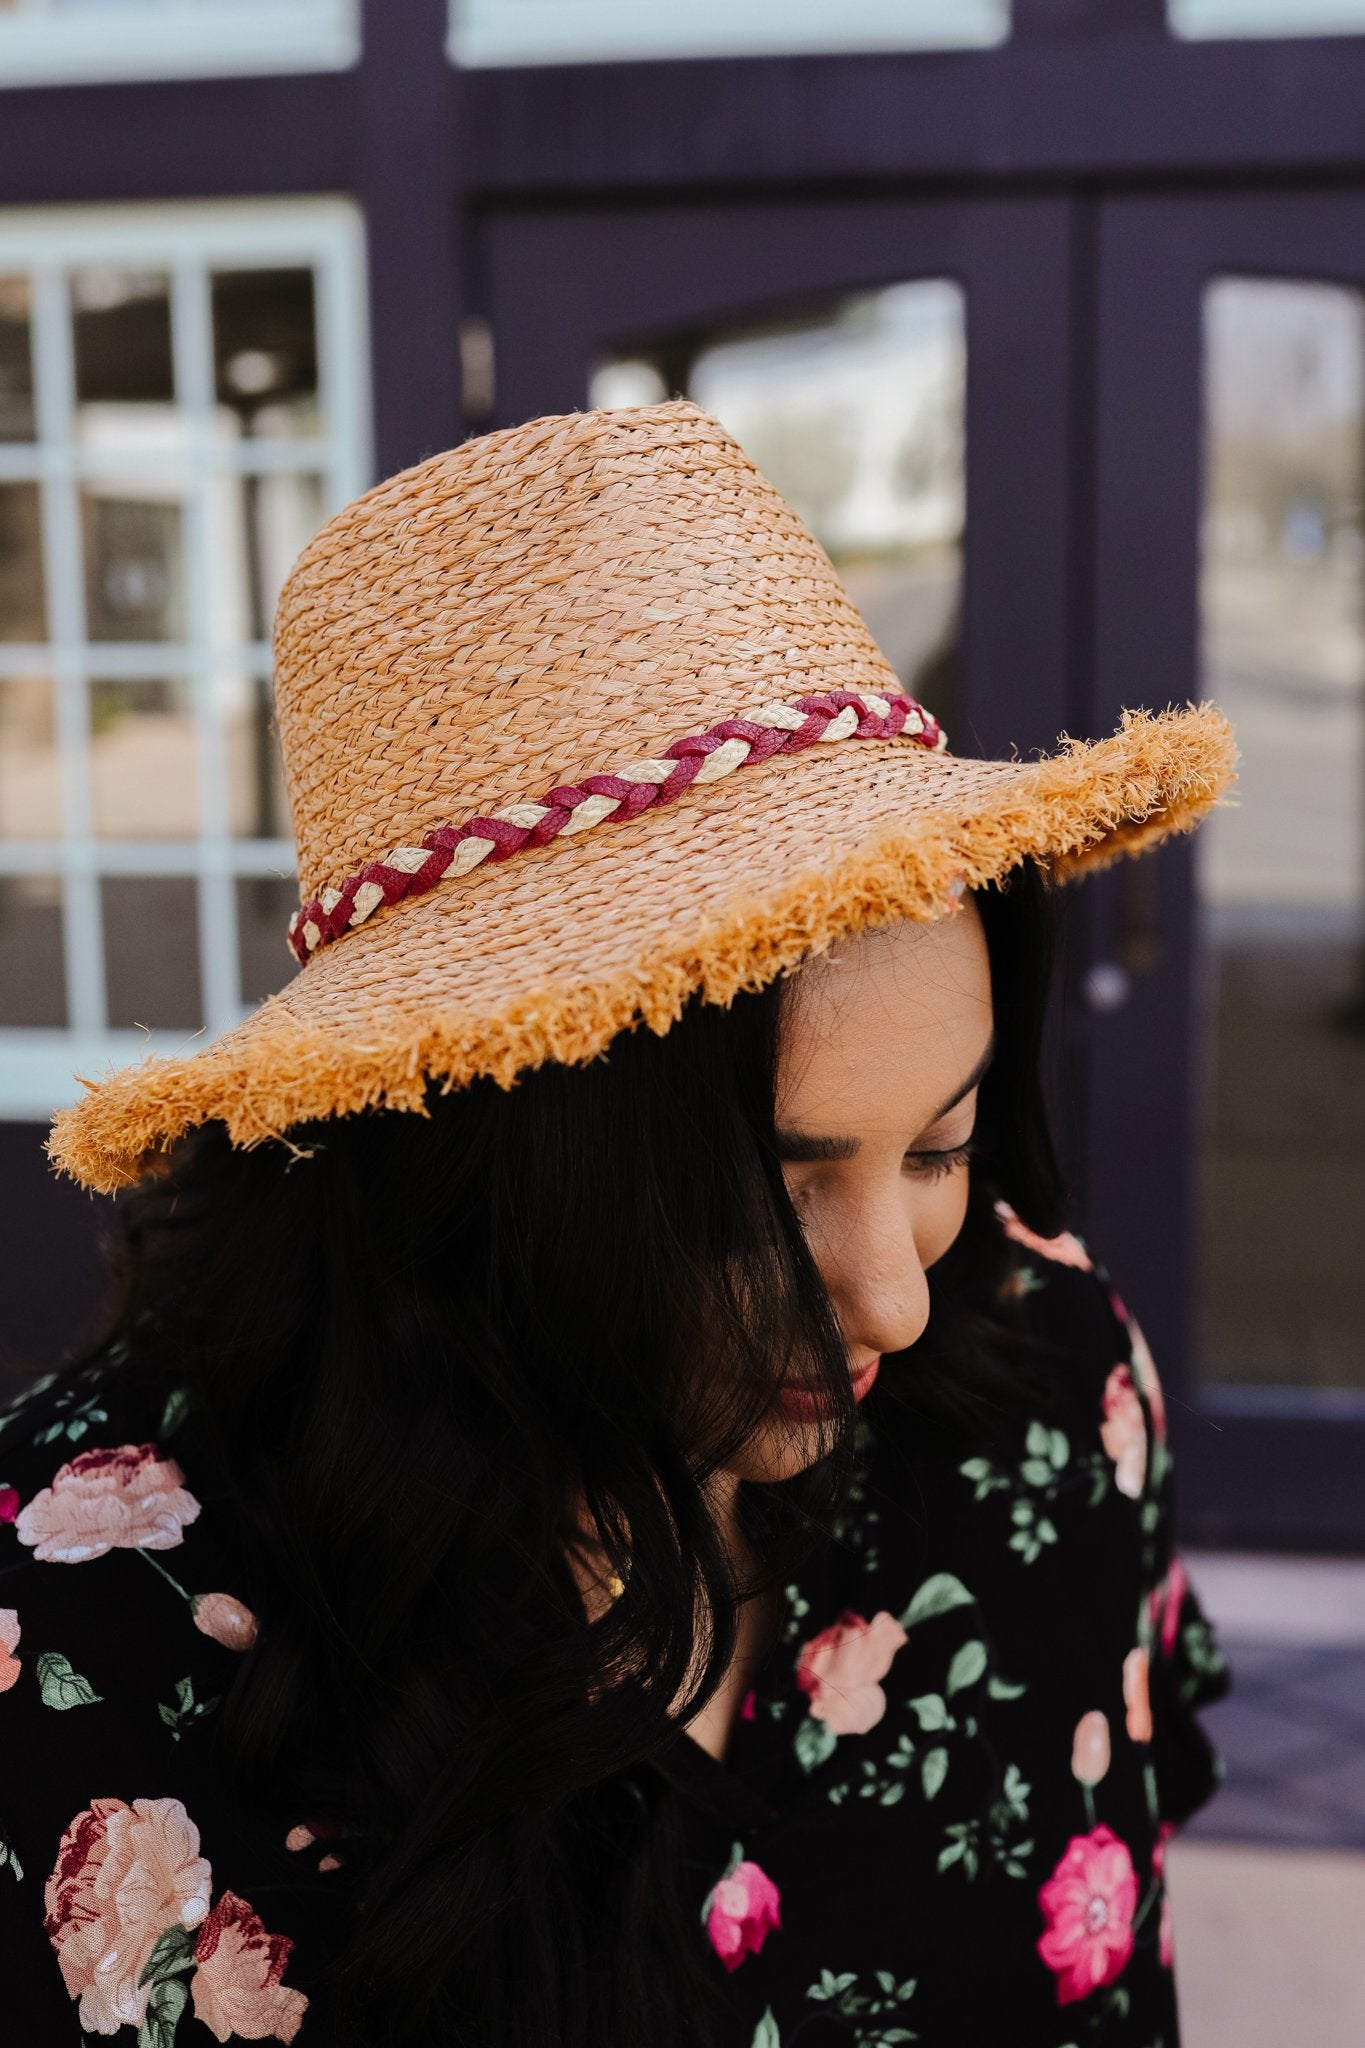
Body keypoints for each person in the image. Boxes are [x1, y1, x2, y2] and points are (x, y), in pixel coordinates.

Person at [2, 402, 1235, 2047]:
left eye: (935, 1149)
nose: (893, 1307)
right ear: (460, 1165)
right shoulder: (82, 1626)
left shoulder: (1049, 1389)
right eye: (758, 1201)